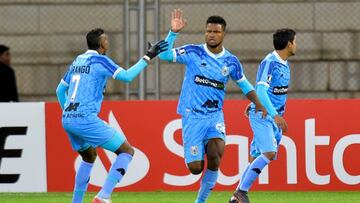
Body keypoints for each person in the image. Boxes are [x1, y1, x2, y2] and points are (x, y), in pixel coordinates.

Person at [159, 9, 267, 203]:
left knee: (216, 155)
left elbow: (244, 85)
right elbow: (165, 56)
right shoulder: (193, 52)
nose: (211, 35)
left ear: (223, 34)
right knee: (195, 168)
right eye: (208, 31)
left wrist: (258, 103)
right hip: (192, 115)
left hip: (214, 116)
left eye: (216, 32)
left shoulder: (231, 61)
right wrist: (173, 32)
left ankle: (200, 201)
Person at [55, 28, 167, 203]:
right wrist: (148, 56)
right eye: (106, 40)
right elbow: (128, 77)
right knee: (127, 151)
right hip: (85, 118)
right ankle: (103, 196)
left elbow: (60, 90)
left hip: (67, 118)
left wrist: (68, 112)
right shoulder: (100, 61)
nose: (108, 42)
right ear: (101, 44)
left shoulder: (78, 61)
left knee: (89, 156)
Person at [229, 28, 296, 203]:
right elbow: (260, 89)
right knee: (269, 153)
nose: (296, 45)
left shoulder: (284, 63)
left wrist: (254, 102)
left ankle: (236, 198)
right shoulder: (270, 62)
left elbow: (270, 92)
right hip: (265, 116)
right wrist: (275, 115)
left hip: (267, 114)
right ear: (289, 44)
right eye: (295, 41)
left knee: (255, 157)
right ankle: (241, 192)